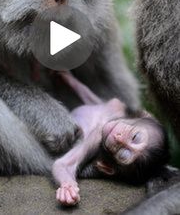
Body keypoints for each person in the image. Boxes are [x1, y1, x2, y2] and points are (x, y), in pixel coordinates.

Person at [52, 71, 169, 206]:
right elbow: (96, 104)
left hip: (60, 127)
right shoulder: (117, 108)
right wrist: (71, 80)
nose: (120, 139)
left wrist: (68, 184)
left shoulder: (95, 138)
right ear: (144, 115)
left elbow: (64, 164)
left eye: (124, 154)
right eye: (135, 137)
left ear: (106, 167)